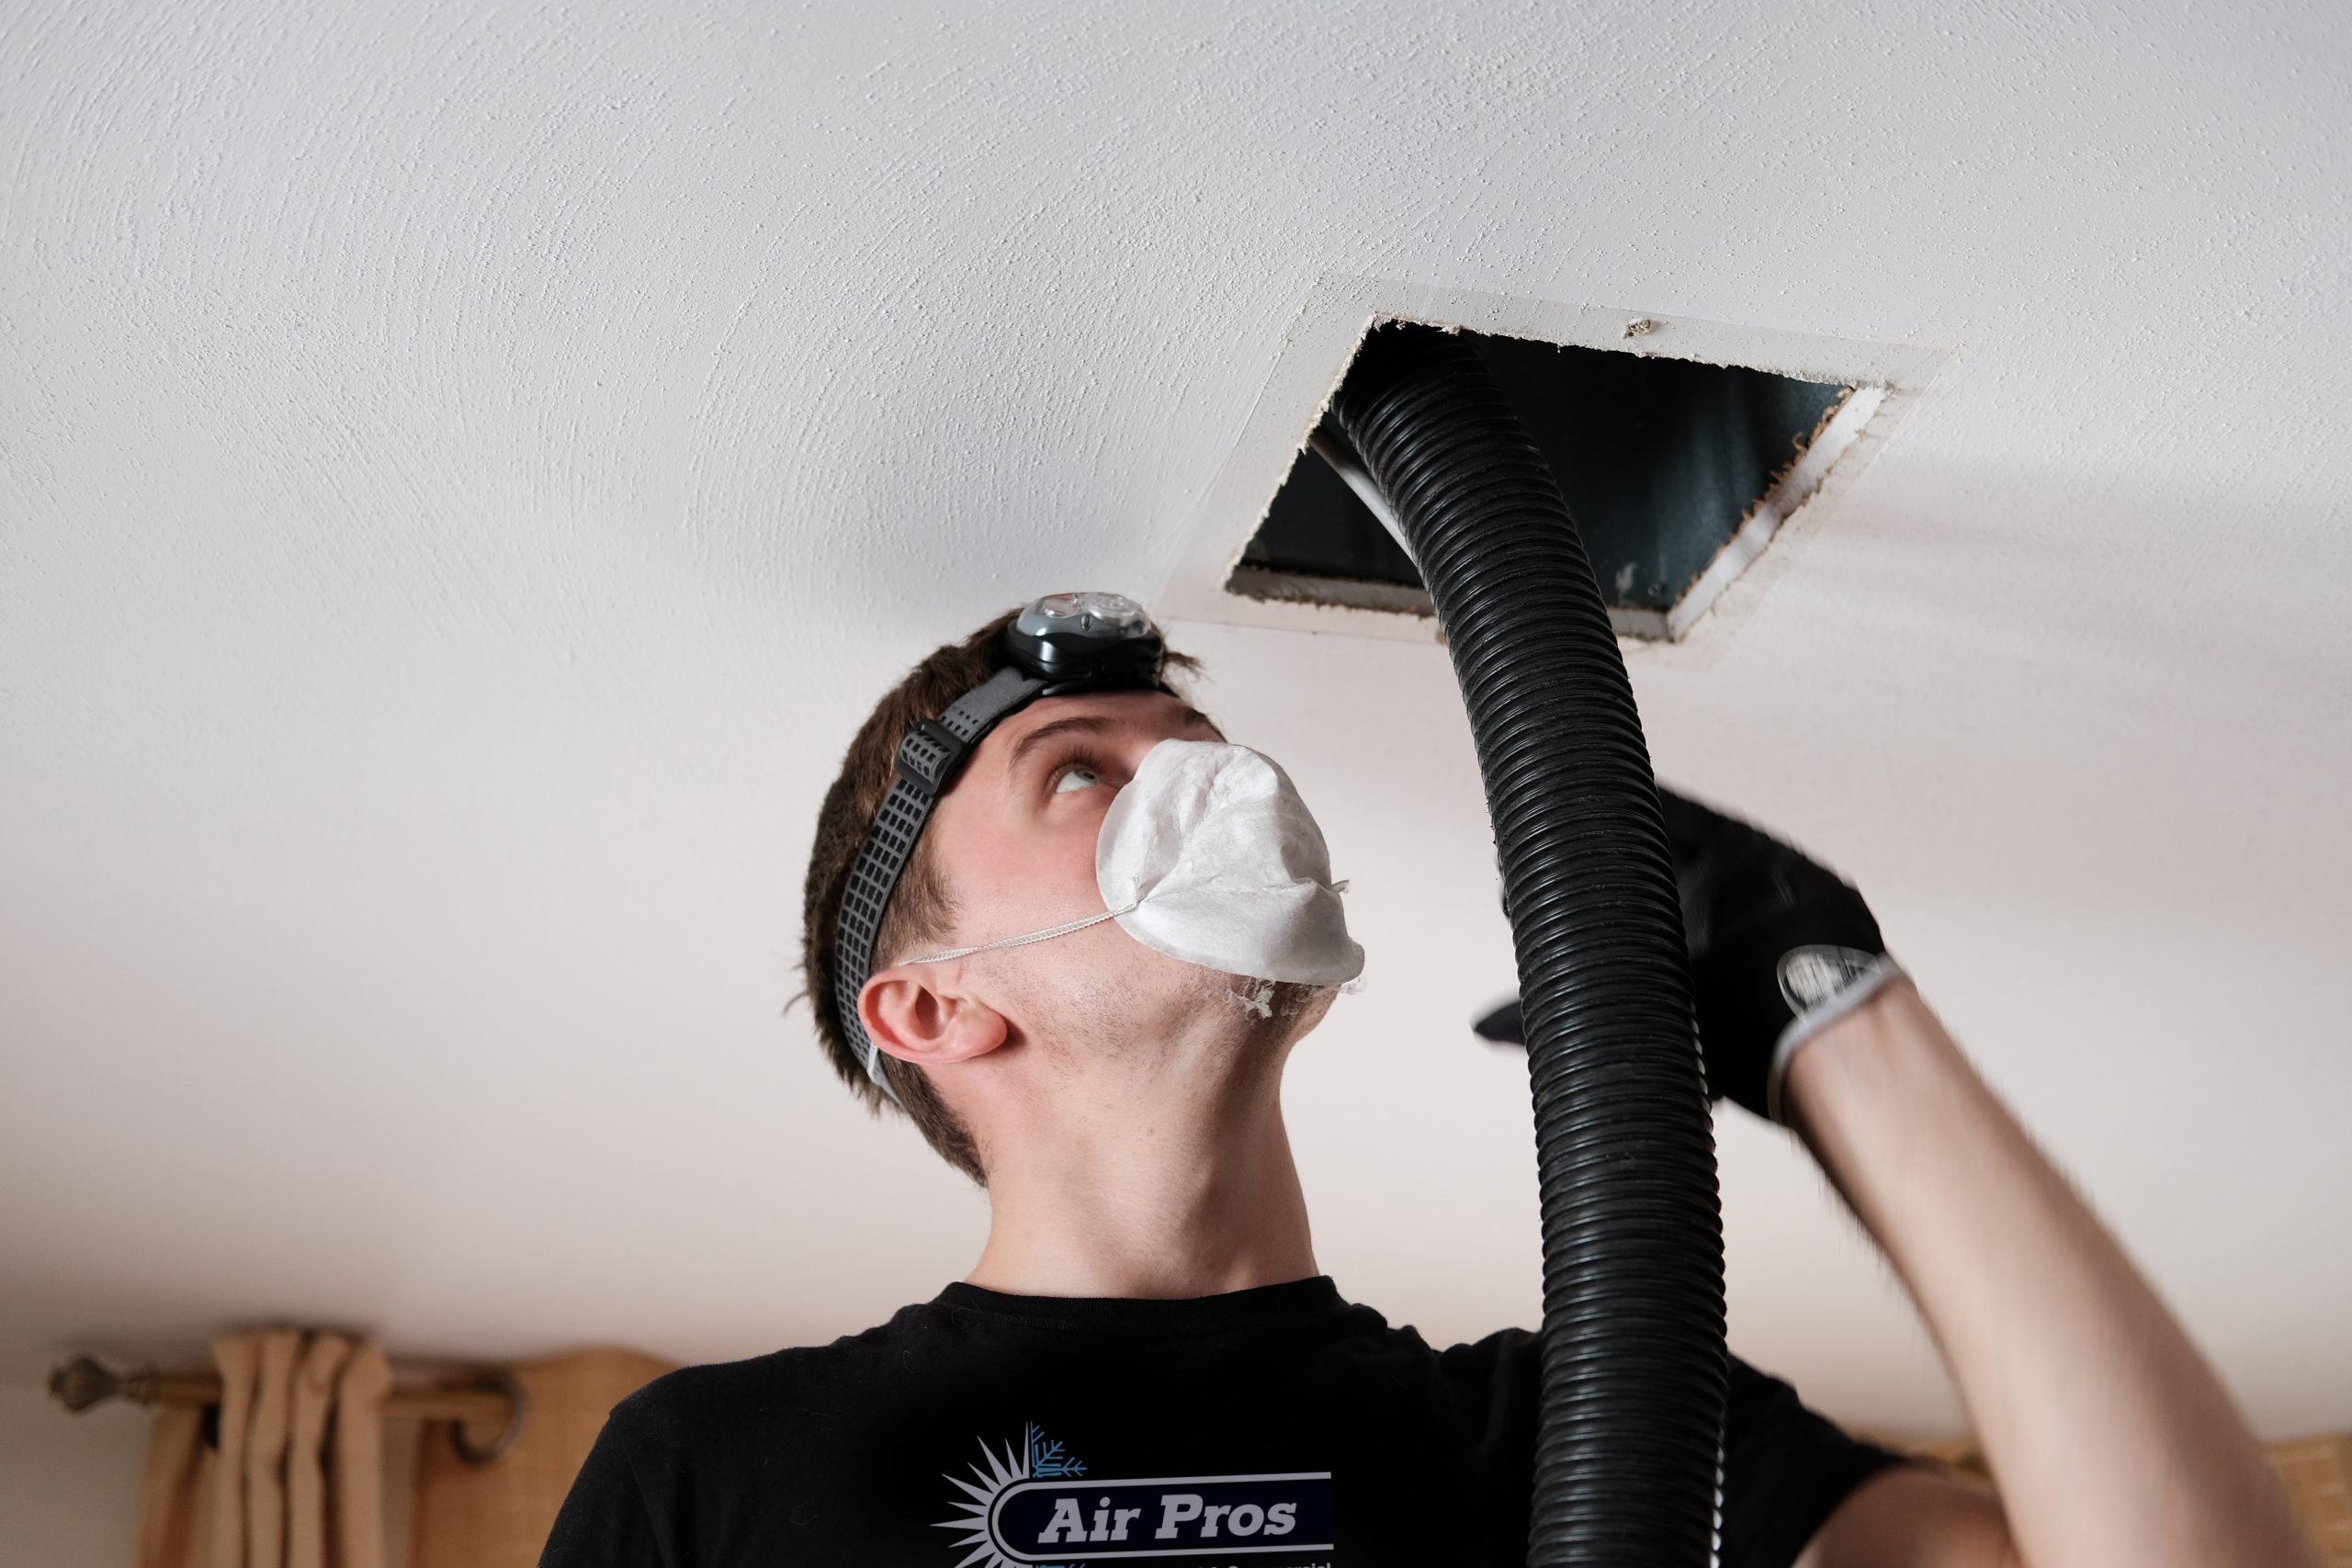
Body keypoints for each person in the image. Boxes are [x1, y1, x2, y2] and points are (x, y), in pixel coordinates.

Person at [543, 596, 2316, 1568]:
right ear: (931, 1011)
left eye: (1206, 748)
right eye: (1078, 770)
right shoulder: (714, 1474)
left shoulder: (1584, 1432)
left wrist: (1840, 1015)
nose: (1215, 790)